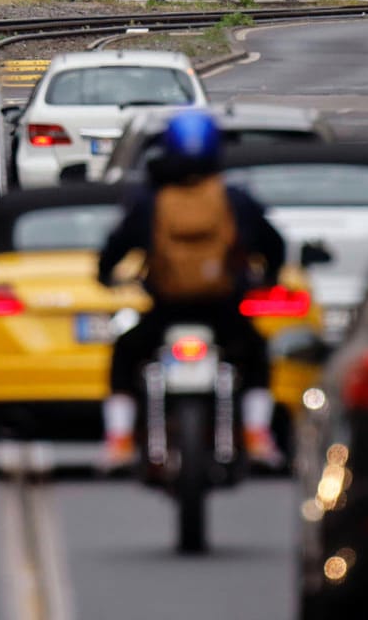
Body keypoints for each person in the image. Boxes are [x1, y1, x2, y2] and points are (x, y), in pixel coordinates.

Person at [96, 110, 287, 469]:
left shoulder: (152, 200)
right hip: (223, 309)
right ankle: (257, 432)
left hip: (168, 308)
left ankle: (119, 440)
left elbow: (117, 245)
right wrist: (270, 276)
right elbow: (272, 243)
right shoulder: (233, 199)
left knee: (125, 353)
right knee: (256, 353)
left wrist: (105, 275)